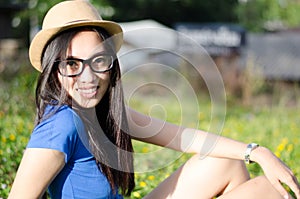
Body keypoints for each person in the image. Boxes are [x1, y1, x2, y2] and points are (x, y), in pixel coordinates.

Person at [8, 1, 300, 199]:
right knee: (266, 190)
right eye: (72, 64)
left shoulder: (104, 113)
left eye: (99, 61)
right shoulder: (60, 125)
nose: (88, 77)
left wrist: (257, 151)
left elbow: (183, 137)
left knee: (227, 163)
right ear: (54, 70)